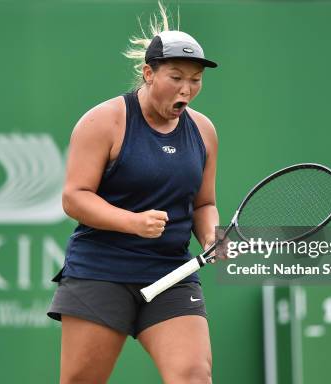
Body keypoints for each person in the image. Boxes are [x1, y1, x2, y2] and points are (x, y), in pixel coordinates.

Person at [47, 3, 219, 383]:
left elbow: (204, 203)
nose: (187, 89)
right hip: (101, 272)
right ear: (148, 74)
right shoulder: (103, 121)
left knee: (193, 375)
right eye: (176, 77)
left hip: (172, 274)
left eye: (195, 80)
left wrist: (210, 235)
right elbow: (74, 197)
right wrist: (133, 222)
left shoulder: (204, 131)